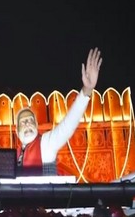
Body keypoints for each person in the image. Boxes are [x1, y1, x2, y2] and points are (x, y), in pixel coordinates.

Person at [15, 47, 102, 176]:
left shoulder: (45, 144)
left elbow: (67, 126)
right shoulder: (14, 157)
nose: (27, 124)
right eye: (23, 122)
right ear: (16, 131)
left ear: (37, 126)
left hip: (45, 196)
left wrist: (87, 90)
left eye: (30, 121)